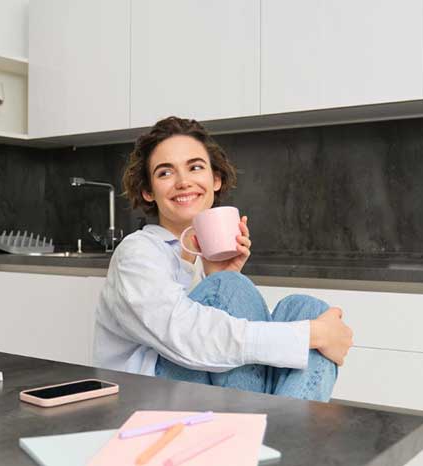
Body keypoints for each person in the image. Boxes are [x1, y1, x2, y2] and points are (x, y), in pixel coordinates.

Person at [92, 116, 355, 401]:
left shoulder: (200, 261)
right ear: (148, 191)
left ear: (215, 180)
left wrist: (217, 274)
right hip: (146, 398)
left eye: (195, 167)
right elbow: (188, 338)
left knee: (305, 307)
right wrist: (311, 336)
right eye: (165, 173)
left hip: (198, 390)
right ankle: (279, 435)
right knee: (237, 291)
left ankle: (279, 435)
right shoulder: (137, 252)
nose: (183, 182)